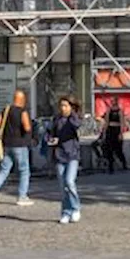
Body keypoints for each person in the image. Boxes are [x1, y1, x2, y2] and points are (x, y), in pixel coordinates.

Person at [0, 89, 34, 207]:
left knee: (4, 169)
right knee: (24, 170)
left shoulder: (6, 110)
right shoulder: (22, 111)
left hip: (7, 144)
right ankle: (22, 196)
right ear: (22, 99)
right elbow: (27, 127)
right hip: (20, 144)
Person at [48, 96, 82, 224]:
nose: (63, 108)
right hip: (59, 154)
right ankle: (65, 212)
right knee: (63, 187)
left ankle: (76, 208)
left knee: (70, 182)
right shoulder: (56, 119)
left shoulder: (73, 119)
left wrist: (72, 114)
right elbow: (51, 133)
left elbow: (77, 125)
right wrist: (51, 139)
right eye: (61, 106)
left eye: (66, 106)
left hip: (72, 154)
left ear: (71, 107)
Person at [103, 96, 129, 173]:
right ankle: (111, 166)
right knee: (109, 149)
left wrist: (121, 133)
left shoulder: (120, 111)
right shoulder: (109, 110)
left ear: (116, 101)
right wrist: (104, 132)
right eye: (111, 101)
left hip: (117, 130)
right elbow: (106, 122)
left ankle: (124, 163)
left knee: (118, 149)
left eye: (113, 101)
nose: (111, 102)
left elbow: (122, 122)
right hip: (110, 130)